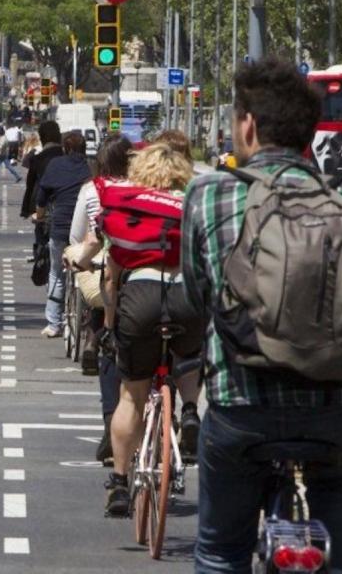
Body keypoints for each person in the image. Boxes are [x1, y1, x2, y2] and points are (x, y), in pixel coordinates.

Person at [182, 56, 342, 573]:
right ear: (310, 131)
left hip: (240, 403)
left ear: (248, 124)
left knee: (220, 552)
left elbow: (199, 296)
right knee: (336, 508)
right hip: (336, 407)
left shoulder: (208, 195)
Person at [101, 142, 206, 517]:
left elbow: (111, 282)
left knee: (131, 394)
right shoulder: (193, 207)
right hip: (186, 298)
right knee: (190, 357)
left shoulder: (131, 209)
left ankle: (118, 481)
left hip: (140, 297)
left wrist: (110, 326)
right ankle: (191, 410)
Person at [64, 133, 134, 462]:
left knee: (108, 333)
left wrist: (78, 259)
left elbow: (78, 237)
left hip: (108, 274)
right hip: (157, 285)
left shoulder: (95, 191)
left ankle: (111, 424)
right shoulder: (147, 190)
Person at [33, 132, 90, 337]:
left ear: (65, 149)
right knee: (86, 271)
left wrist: (39, 216)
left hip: (60, 228)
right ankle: (84, 317)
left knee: (56, 273)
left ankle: (54, 323)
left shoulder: (55, 165)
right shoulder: (90, 167)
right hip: (85, 231)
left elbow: (42, 197)